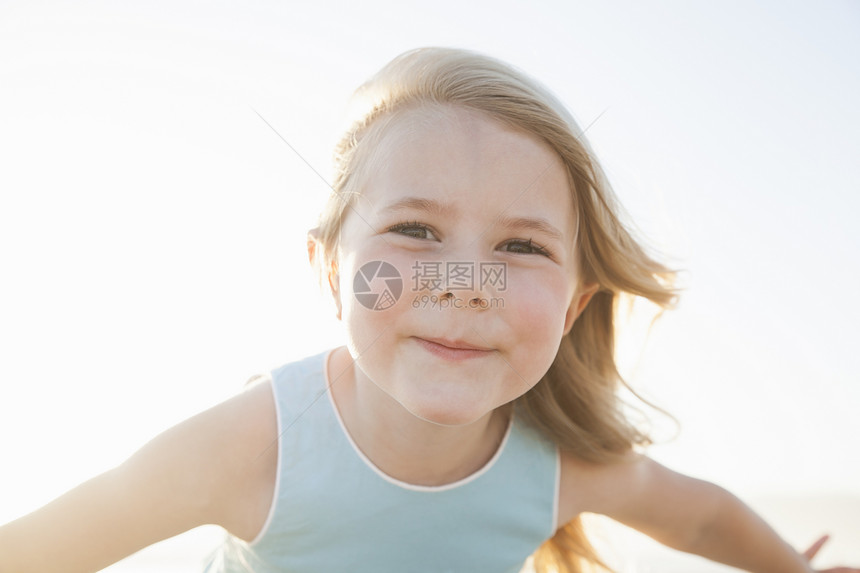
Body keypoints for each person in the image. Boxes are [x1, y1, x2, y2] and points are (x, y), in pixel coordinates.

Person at [0, 47, 855, 573]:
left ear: (572, 304)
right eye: (414, 230)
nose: (462, 284)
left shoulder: (555, 464)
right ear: (331, 272)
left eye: (521, 247)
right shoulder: (257, 446)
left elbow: (699, 514)